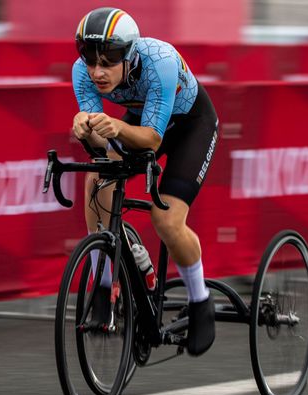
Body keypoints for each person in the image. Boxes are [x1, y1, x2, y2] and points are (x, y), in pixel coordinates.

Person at [71, 7, 218, 356]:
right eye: (90, 60)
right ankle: (103, 288)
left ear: (130, 54)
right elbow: (101, 147)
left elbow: (152, 139)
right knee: (97, 179)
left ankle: (200, 300)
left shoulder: (159, 61)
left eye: (107, 61)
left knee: (165, 219)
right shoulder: (81, 73)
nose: (97, 71)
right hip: (141, 121)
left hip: (188, 127)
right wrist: (84, 128)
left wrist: (116, 127)